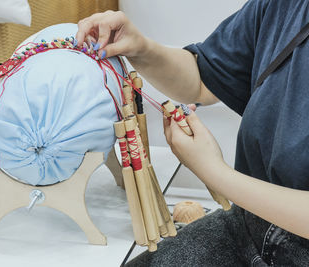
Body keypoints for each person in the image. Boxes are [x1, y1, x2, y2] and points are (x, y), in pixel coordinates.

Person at [76, 1, 309, 266]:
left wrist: (214, 172)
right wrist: (142, 49)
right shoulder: (286, 6)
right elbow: (202, 79)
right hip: (249, 224)